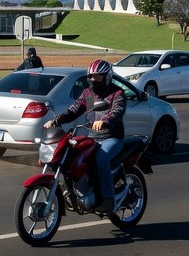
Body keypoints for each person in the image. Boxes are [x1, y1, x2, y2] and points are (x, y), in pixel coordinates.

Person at [43, 60, 126, 213]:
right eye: (91, 77)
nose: (94, 80)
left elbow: (116, 112)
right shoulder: (89, 94)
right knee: (72, 155)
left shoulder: (117, 93)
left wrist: (104, 121)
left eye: (98, 77)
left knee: (101, 158)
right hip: (92, 137)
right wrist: (56, 121)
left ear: (107, 77)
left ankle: (108, 199)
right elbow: (75, 110)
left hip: (111, 137)